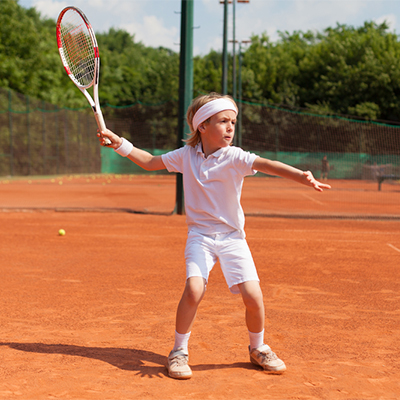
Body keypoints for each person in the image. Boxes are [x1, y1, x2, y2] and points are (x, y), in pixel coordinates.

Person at [97, 92, 331, 380]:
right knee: (194, 289)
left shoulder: (235, 156)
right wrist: (119, 143)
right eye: (223, 121)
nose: (231, 127)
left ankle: (258, 348)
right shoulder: (186, 156)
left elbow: (267, 164)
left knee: (253, 295)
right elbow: (149, 161)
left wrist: (301, 175)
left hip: (233, 238)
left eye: (233, 121)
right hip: (200, 236)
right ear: (202, 126)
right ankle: (178, 351)